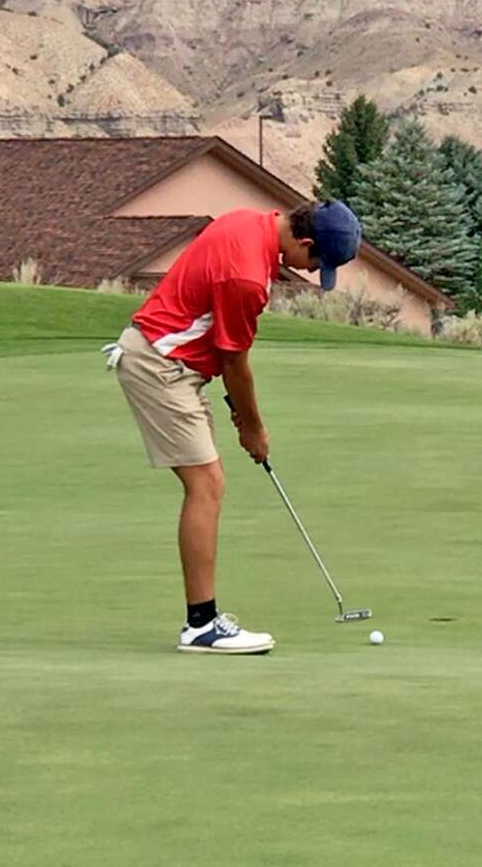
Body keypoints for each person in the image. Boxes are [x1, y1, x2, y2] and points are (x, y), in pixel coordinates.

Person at [109, 199, 361, 654]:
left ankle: (202, 622)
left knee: (209, 482)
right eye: (316, 262)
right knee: (206, 485)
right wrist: (252, 427)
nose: (310, 270)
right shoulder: (248, 277)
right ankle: (201, 626)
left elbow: (221, 347)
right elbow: (234, 361)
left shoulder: (249, 220)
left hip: (172, 362)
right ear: (304, 243)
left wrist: (239, 411)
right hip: (160, 364)